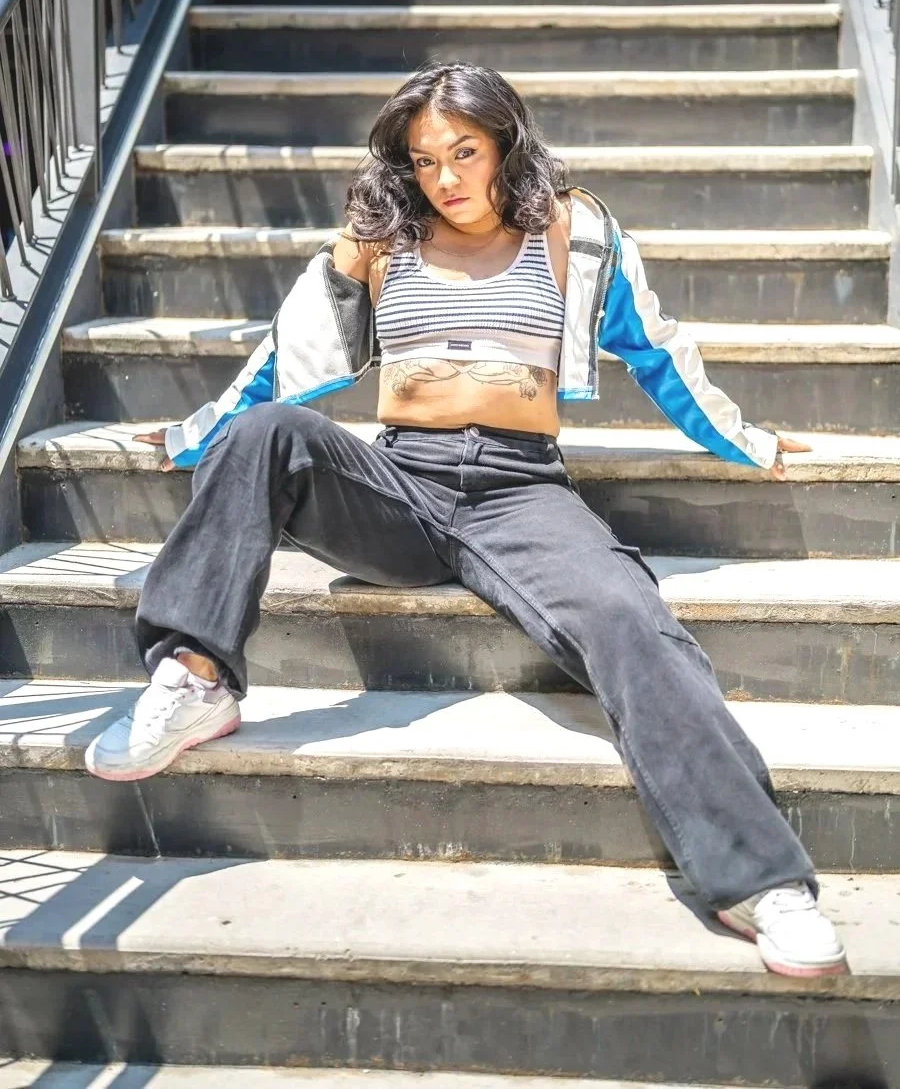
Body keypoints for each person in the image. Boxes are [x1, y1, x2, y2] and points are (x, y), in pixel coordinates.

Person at [86, 62, 846, 979]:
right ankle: (197, 676)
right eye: (425, 158)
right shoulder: (378, 241)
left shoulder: (576, 228)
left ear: (503, 146)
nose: (446, 176)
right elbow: (286, 364)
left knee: (626, 619)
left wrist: (747, 440)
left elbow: (658, 349)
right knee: (266, 433)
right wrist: (190, 435)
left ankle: (764, 882)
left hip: (524, 491)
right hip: (401, 484)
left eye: (465, 152)